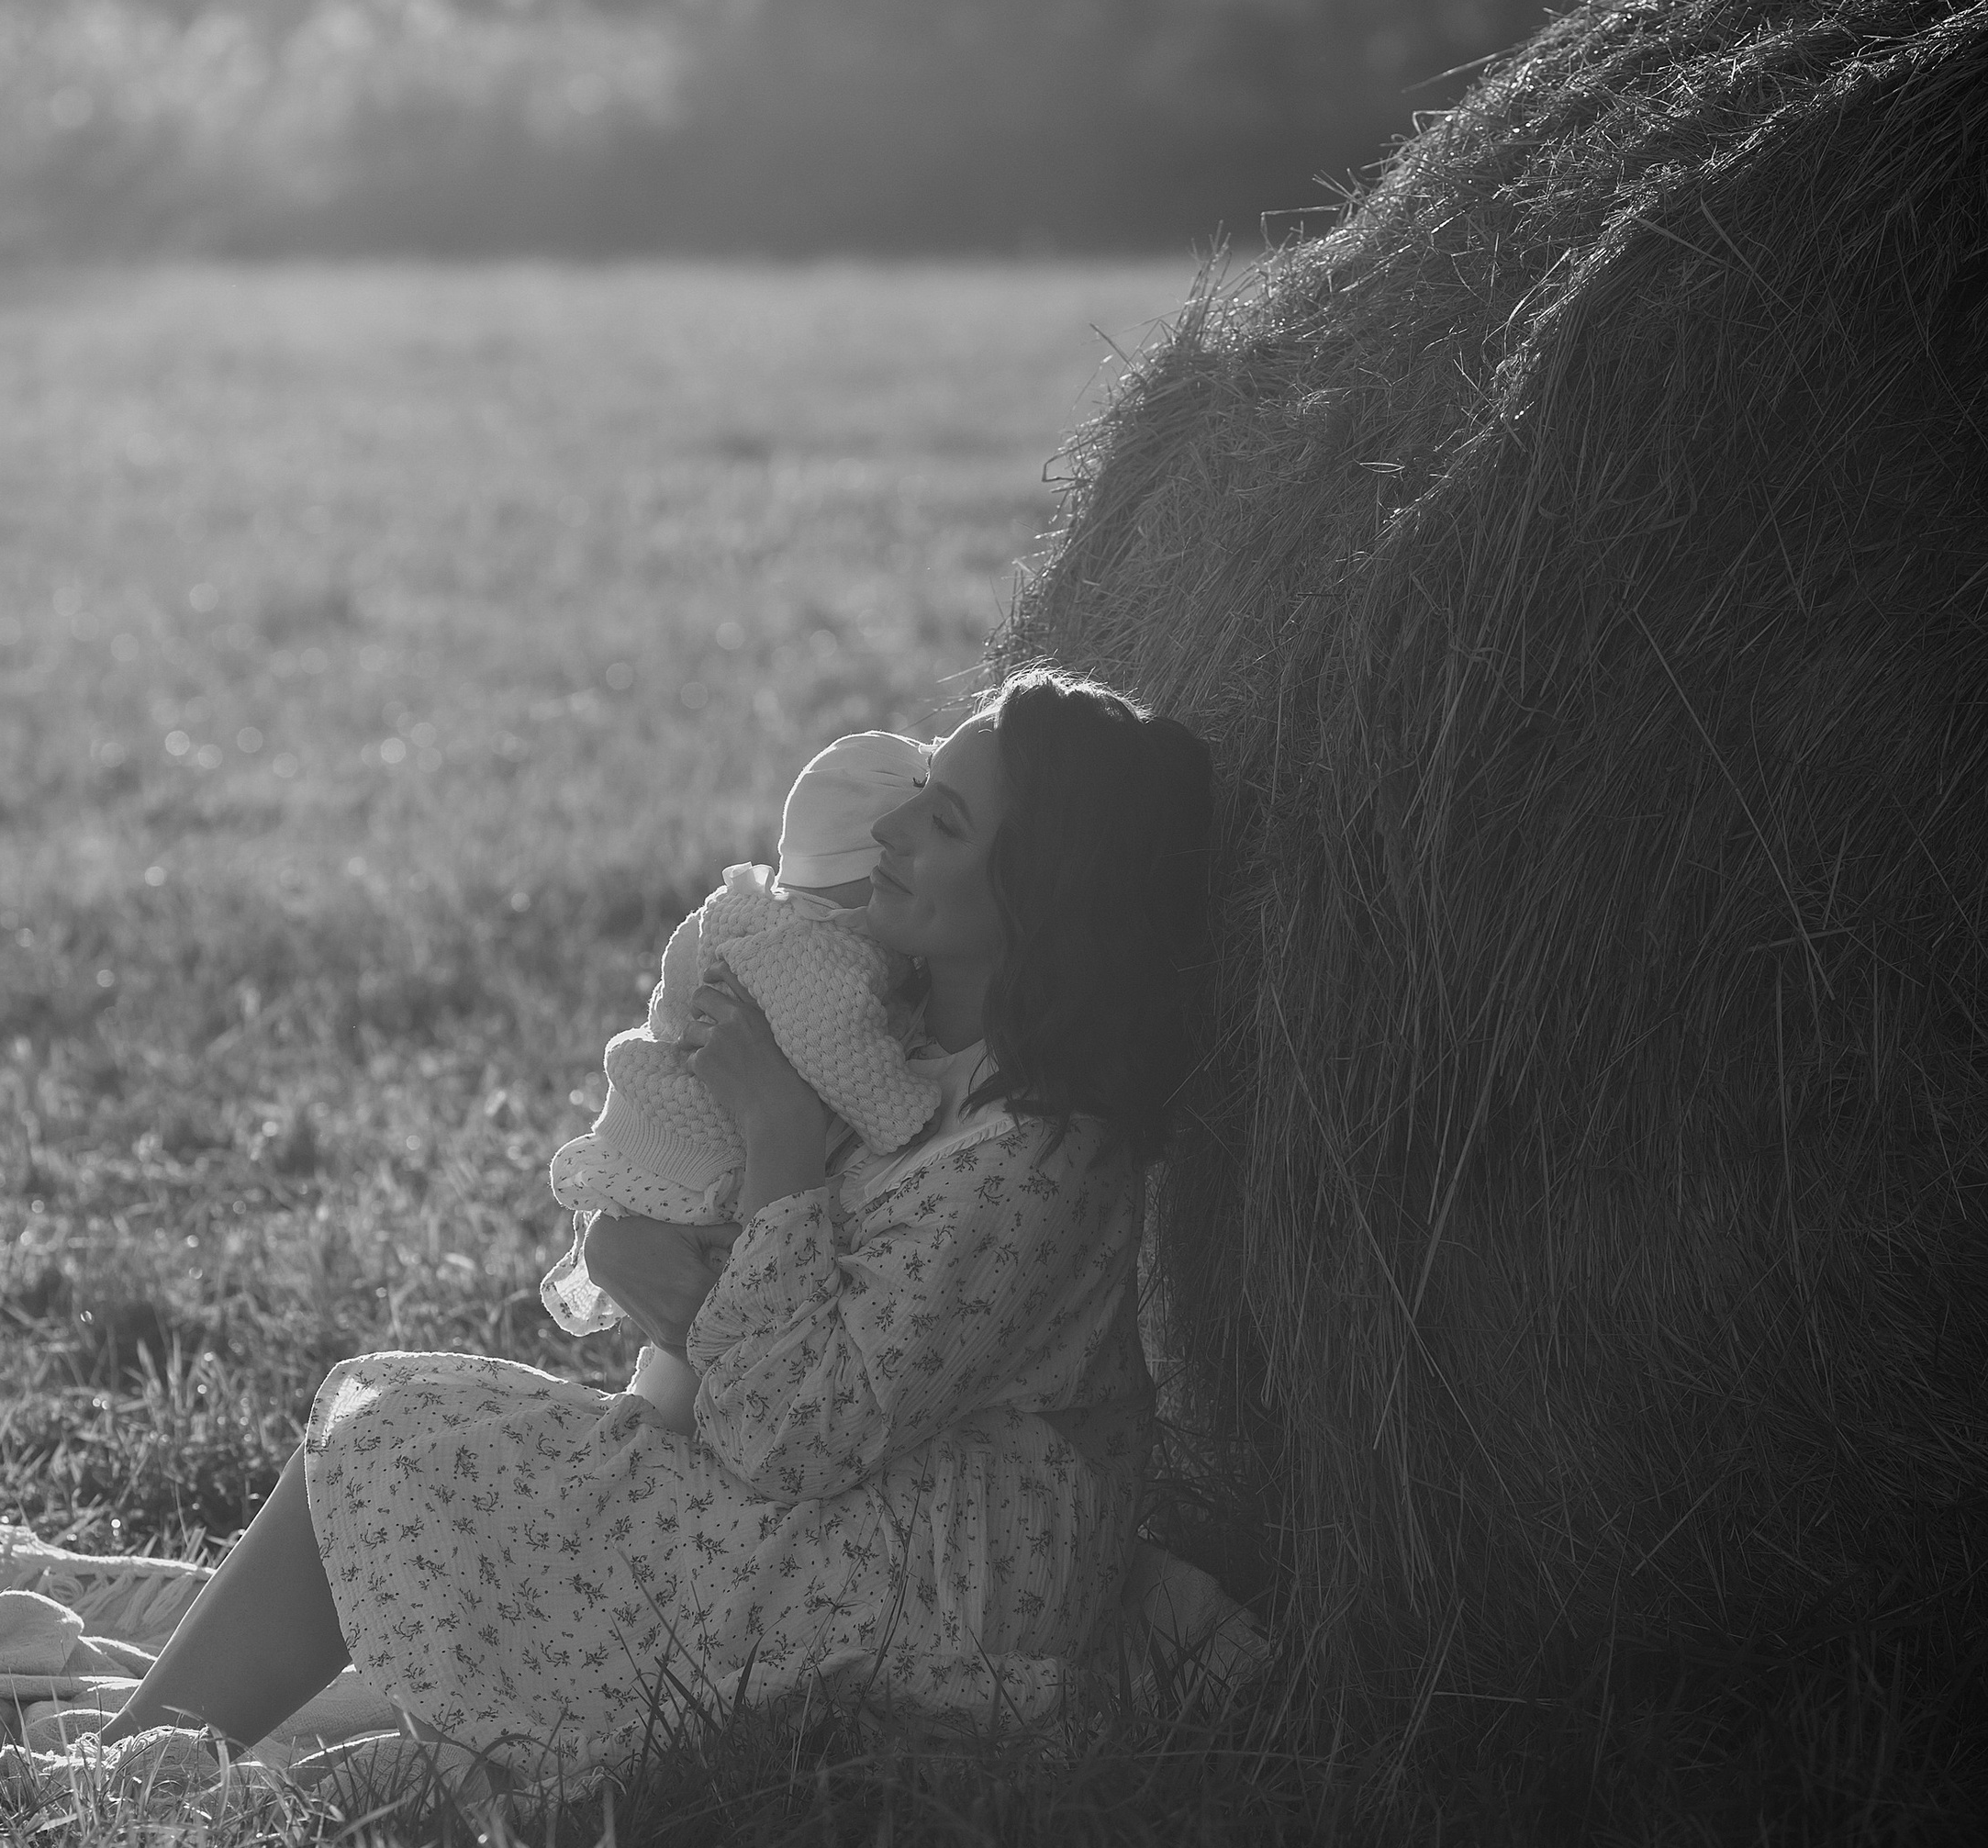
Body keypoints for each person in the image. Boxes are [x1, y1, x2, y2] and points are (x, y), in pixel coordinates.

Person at [106, 670, 1223, 1778]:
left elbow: (794, 1434)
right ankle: (138, 1764)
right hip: (827, 1506)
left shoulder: (1036, 1158)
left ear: (1041, 891)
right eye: (919, 789)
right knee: (407, 1438)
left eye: (943, 821)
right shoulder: (883, 1026)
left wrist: (779, 1138)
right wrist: (616, 1235)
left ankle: (138, 1771)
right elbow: (691, 1186)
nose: (888, 828)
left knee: (410, 1443)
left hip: (926, 1588)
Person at [540, 724, 941, 1434]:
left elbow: (674, 984)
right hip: (703, 1161)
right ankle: (658, 1430)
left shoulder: (739, 905)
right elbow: (844, 1053)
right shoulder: (826, 954)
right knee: (710, 1313)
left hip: (645, 1135)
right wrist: (905, 1111)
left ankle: (650, 1427)